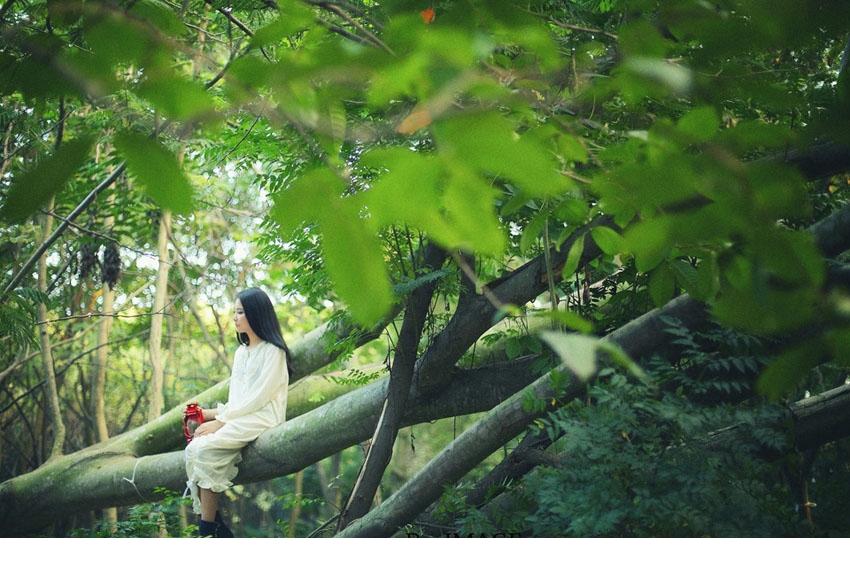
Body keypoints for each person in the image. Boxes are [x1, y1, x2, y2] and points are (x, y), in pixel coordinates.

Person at [183, 287, 294, 537]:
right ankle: (215, 524)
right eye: (235, 312)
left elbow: (258, 398)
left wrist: (220, 422)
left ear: (256, 314)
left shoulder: (273, 352)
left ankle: (206, 530)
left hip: (264, 417)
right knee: (194, 448)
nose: (235, 317)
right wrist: (211, 416)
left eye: (240, 312)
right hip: (242, 416)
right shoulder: (241, 353)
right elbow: (238, 398)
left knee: (204, 448)